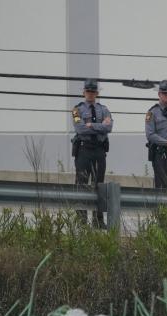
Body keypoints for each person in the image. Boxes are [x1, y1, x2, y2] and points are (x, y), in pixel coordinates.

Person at [71, 78, 113, 227]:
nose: (90, 94)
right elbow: (80, 129)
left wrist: (91, 125)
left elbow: (109, 127)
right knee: (82, 184)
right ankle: (81, 220)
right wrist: (99, 125)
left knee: (99, 185)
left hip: (99, 150)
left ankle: (98, 220)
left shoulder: (104, 109)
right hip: (84, 150)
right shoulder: (78, 109)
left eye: (93, 91)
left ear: (97, 93)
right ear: (84, 92)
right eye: (88, 91)